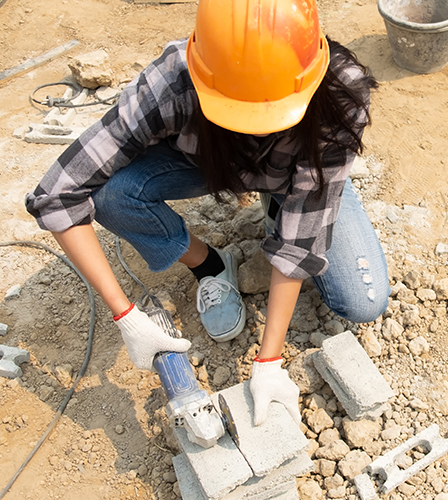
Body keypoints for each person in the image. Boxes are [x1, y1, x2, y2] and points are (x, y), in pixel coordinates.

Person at [24, 0, 390, 427]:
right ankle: (211, 264)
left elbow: (301, 240)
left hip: (301, 183)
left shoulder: (340, 93)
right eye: (242, 113)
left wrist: (269, 360)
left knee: (362, 302)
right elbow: (58, 194)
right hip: (209, 168)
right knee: (111, 193)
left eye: (270, 115)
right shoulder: (172, 81)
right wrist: (125, 316)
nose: (258, 127)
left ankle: (280, 205)